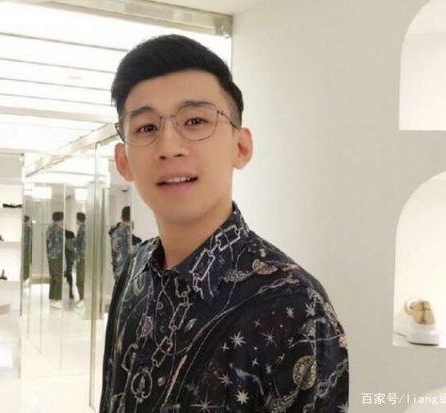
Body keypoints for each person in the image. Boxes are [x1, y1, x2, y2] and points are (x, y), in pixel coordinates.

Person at [100, 35, 349, 412]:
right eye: (147, 128)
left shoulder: (296, 307)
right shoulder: (134, 268)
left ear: (241, 147)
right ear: (124, 161)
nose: (169, 147)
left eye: (195, 121)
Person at [108, 205, 142, 281]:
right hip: (125, 269)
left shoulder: (115, 230)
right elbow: (130, 251)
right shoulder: (126, 230)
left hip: (116, 267)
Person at [46, 211, 64, 309]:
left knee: (53, 277)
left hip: (51, 256)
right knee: (58, 277)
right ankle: (57, 299)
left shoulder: (49, 227)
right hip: (57, 256)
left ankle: (52, 298)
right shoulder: (58, 229)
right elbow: (61, 244)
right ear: (60, 219)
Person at [74, 212, 86, 308]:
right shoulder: (81, 228)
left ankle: (82, 299)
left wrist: (80, 256)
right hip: (81, 257)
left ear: (78, 219)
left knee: (80, 279)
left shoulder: (83, 229)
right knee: (79, 279)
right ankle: (82, 298)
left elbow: (83, 245)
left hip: (82, 258)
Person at [64, 229, 76, 300]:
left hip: (68, 264)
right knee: (69, 276)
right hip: (68, 263)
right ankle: (70, 292)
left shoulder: (68, 241)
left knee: (69, 275)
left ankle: (70, 292)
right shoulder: (69, 241)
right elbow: (71, 250)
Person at [22, 215, 32, 282]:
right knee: (26, 263)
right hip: (26, 247)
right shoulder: (27, 228)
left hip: (24, 247)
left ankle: (24, 277)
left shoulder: (23, 227)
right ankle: (25, 277)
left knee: (25, 263)